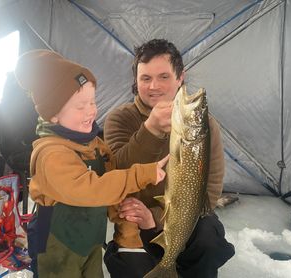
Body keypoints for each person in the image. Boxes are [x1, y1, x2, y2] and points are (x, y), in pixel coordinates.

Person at [14, 49, 169, 278]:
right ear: (53, 114)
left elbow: (112, 181)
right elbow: (92, 189)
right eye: (80, 106)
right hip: (57, 247)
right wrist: (139, 174)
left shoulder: (94, 144)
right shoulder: (51, 153)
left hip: (89, 240)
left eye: (92, 101)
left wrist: (125, 228)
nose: (91, 111)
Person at [103, 39, 235, 278]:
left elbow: (211, 188)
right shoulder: (119, 119)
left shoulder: (203, 124)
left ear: (180, 77)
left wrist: (156, 218)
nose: (154, 86)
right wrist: (150, 131)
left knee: (209, 238)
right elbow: (115, 174)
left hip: (188, 219)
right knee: (131, 268)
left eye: (164, 76)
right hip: (135, 221)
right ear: (136, 81)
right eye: (145, 78)